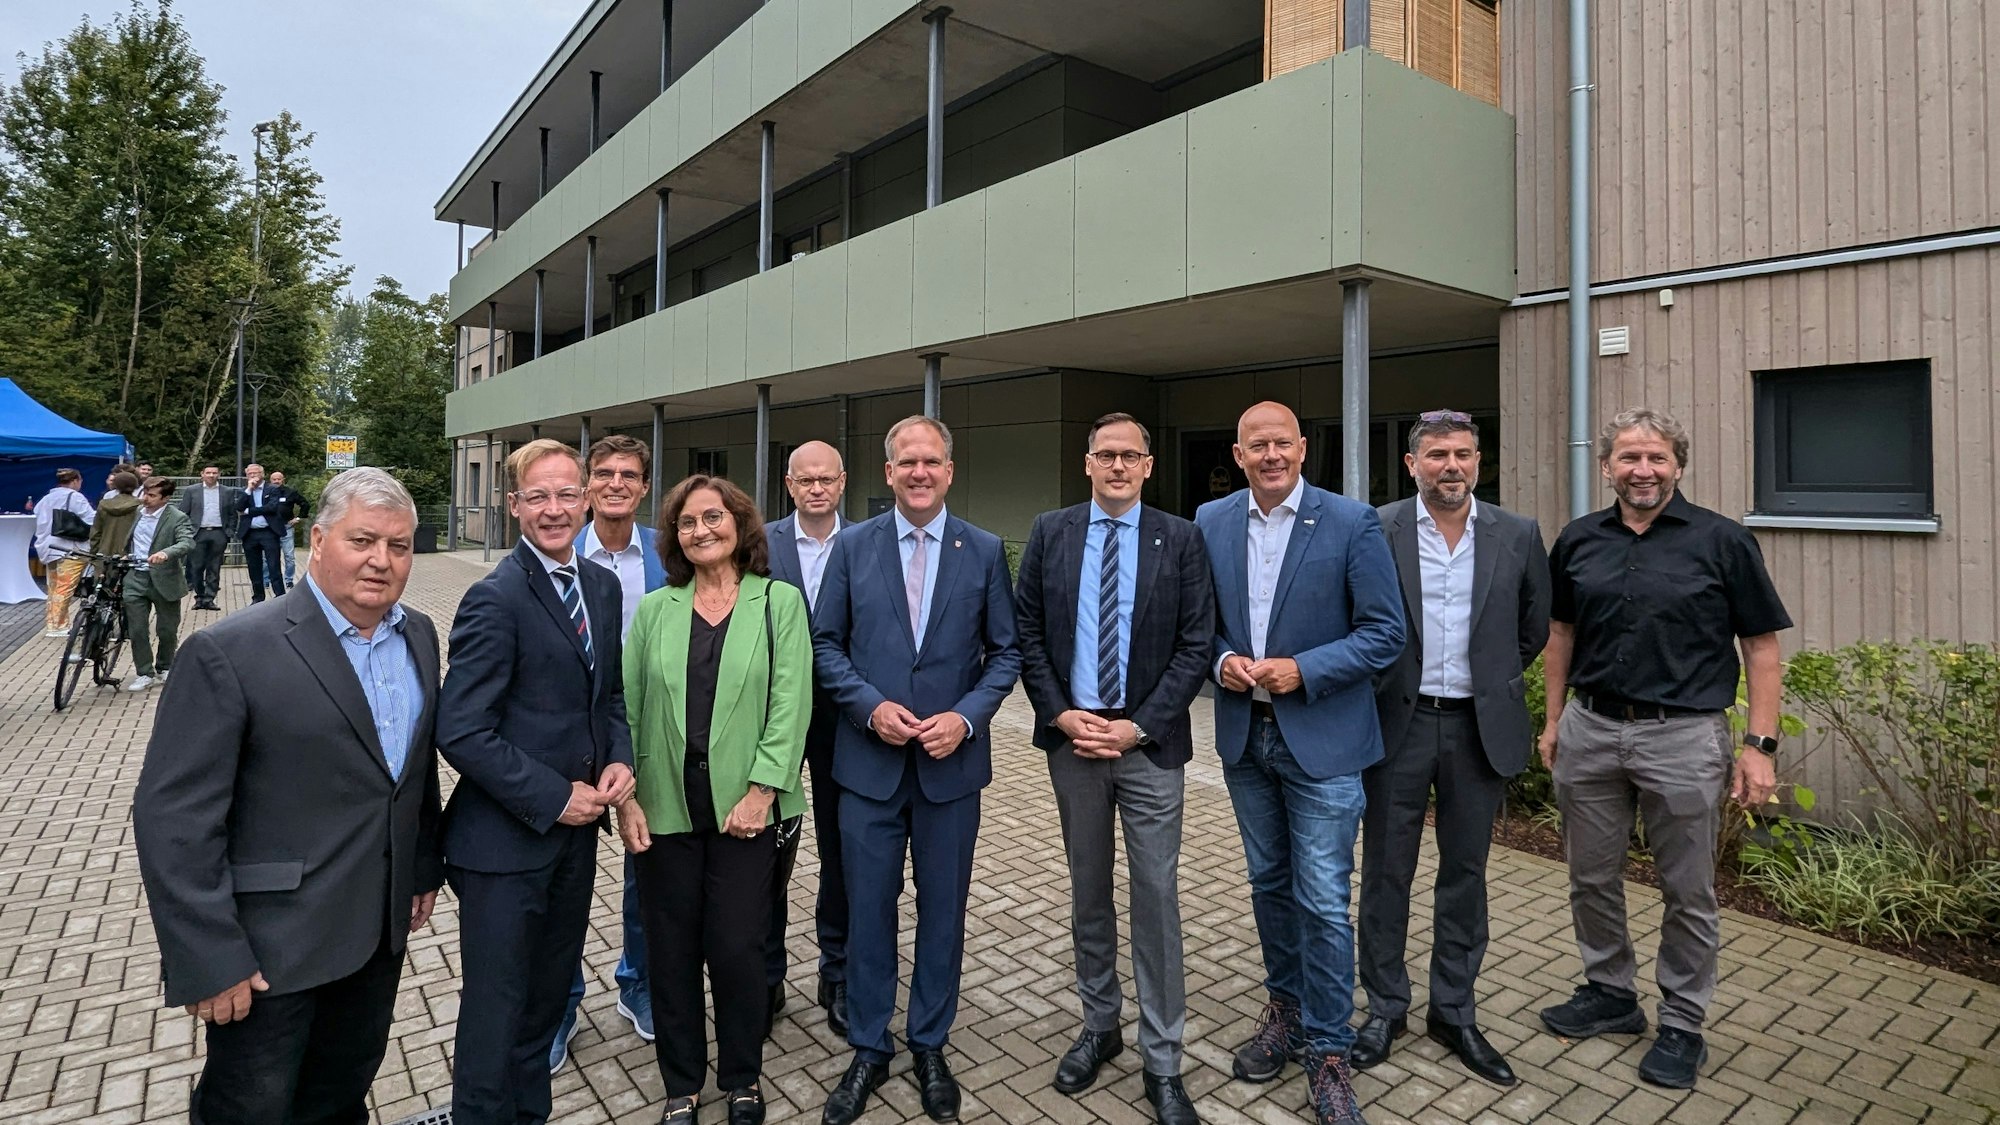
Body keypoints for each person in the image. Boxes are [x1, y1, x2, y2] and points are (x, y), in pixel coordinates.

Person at [132, 467, 444, 1125]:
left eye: (400, 545)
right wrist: (208, 957)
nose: (381, 561)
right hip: (271, 950)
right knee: (253, 1106)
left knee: (338, 1098)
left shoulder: (417, 634)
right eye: (364, 540)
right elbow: (174, 817)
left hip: (374, 936)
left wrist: (421, 867)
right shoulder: (230, 651)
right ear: (319, 540)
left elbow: (409, 776)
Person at [1537, 408, 1792, 1091]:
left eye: (1655, 458)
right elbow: (1560, 634)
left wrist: (1759, 745)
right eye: (1628, 458)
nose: (1641, 471)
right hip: (1590, 728)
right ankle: (1611, 992)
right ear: (1607, 467)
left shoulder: (1723, 541)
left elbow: (1762, 647)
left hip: (1683, 735)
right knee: (1590, 875)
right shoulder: (1579, 540)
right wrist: (1555, 718)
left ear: (1678, 465)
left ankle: (1681, 1021)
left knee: (1687, 889)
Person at [1195, 401, 1404, 1125]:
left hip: (1324, 741)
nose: (1272, 453)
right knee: (1269, 884)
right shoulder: (1211, 519)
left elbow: (1386, 633)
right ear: (1240, 451)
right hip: (1245, 741)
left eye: (1283, 442)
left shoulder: (1351, 522)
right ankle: (1283, 1011)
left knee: (1321, 897)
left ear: (1304, 448)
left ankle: (1329, 1050)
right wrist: (1220, 659)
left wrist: (1303, 669)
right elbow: (1201, 625)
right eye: (1259, 444)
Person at [811, 416, 1021, 1125]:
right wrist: (869, 708)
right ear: (889, 469)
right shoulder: (852, 546)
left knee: (944, 912)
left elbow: (1008, 653)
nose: (920, 472)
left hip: (949, 767)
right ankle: (869, 1045)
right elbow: (825, 644)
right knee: (868, 911)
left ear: (950, 471)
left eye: (932, 461)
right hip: (868, 765)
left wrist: (965, 717)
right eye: (907, 462)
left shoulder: (985, 550)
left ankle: (930, 1041)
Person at [1013, 414, 1215, 1125]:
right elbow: (1027, 631)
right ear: (1088, 461)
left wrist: (1138, 726)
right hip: (1075, 741)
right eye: (1108, 454)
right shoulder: (1051, 531)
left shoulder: (1182, 537)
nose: (1120, 465)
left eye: (1132, 455)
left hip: (1148, 744)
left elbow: (1197, 644)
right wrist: (1061, 714)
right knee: (1088, 889)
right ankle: (1100, 1024)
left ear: (1149, 465)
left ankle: (1163, 1057)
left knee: (1156, 895)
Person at [438, 438, 635, 1125]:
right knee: (496, 1018)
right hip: (504, 847)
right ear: (514, 505)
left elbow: (607, 699)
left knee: (546, 1006)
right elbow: (461, 729)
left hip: (573, 844)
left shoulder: (602, 586)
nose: (555, 510)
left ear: (586, 498)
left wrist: (620, 758)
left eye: (566, 494)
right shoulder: (494, 597)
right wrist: (555, 796)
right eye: (537, 496)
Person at [1352, 412, 1550, 1085]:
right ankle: (1384, 1007)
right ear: (1412, 463)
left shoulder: (1517, 534)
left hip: (1476, 728)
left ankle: (1454, 1010)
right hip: (1395, 726)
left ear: (1478, 460)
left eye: (1463, 454)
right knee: (1385, 873)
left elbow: (1531, 628)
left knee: (1465, 876)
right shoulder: (1375, 528)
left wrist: (1489, 682)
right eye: (1437, 454)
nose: (1452, 466)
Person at [617, 474, 812, 1125]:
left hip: (747, 814)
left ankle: (743, 1076)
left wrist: (763, 789)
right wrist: (628, 799)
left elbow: (791, 702)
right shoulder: (655, 609)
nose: (701, 530)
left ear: (740, 523)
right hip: (665, 809)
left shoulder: (777, 602)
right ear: (673, 537)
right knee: (669, 950)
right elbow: (632, 710)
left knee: (736, 948)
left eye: (713, 517)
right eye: (686, 523)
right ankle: (682, 1083)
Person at [551, 434, 667, 1070]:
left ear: (644, 487)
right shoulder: (560, 551)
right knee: (564, 882)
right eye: (604, 473)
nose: (616, 483)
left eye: (630, 474)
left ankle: (639, 986)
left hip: (643, 736)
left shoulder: (664, 555)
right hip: (571, 740)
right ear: (588, 484)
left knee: (644, 875)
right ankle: (561, 1007)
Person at [763, 440, 851, 1037]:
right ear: (789, 485)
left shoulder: (867, 543)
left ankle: (837, 968)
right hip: (772, 721)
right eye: (805, 480)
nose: (817, 488)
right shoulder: (759, 543)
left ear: (842, 482)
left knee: (842, 850)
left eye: (827, 479)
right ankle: (765, 972)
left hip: (845, 720)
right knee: (766, 852)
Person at [122, 476, 195, 692]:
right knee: (137, 629)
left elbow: (187, 541)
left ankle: (165, 666)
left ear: (166, 498)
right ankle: (144, 672)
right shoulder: (137, 514)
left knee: (166, 629)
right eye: (145, 493)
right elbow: (129, 541)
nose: (146, 498)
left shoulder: (177, 517)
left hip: (165, 579)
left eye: (152, 495)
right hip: (136, 577)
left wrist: (166, 553)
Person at [33, 467, 95, 637]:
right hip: (70, 548)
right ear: (75, 481)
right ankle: (59, 626)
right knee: (65, 588)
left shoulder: (46, 499)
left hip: (49, 547)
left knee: (53, 588)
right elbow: (91, 519)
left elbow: (37, 517)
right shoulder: (74, 497)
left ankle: (52, 624)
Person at [179, 465, 240, 610]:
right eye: (208, 473)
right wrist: (186, 532)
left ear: (219, 474)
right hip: (198, 533)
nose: (211, 475)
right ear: (202, 474)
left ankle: (209, 598)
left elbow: (233, 513)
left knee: (214, 567)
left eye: (214, 473)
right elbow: (183, 513)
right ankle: (199, 597)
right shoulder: (192, 491)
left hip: (219, 533)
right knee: (196, 567)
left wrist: (229, 532)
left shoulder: (227, 491)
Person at [236, 463, 288, 601]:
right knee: (254, 568)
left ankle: (280, 598)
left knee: (273, 567)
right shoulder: (244, 491)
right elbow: (239, 507)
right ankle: (258, 598)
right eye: (249, 474)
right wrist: (249, 489)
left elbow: (271, 508)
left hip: (269, 533)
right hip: (250, 534)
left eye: (256, 473)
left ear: (262, 474)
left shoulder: (272, 489)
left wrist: (248, 511)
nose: (253, 476)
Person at [88, 470, 143, 559]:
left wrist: (94, 553)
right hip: (131, 555)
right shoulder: (141, 506)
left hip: (104, 553)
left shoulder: (104, 505)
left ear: (116, 486)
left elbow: (96, 532)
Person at [267, 470, 310, 585]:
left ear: (283, 480)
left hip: (286, 528)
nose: (276, 481)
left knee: (289, 557)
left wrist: (298, 518)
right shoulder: (265, 492)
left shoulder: (290, 492)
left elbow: (305, 504)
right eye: (274, 479)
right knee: (267, 557)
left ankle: (289, 580)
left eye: (279, 479)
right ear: (270, 480)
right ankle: (266, 580)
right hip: (269, 529)